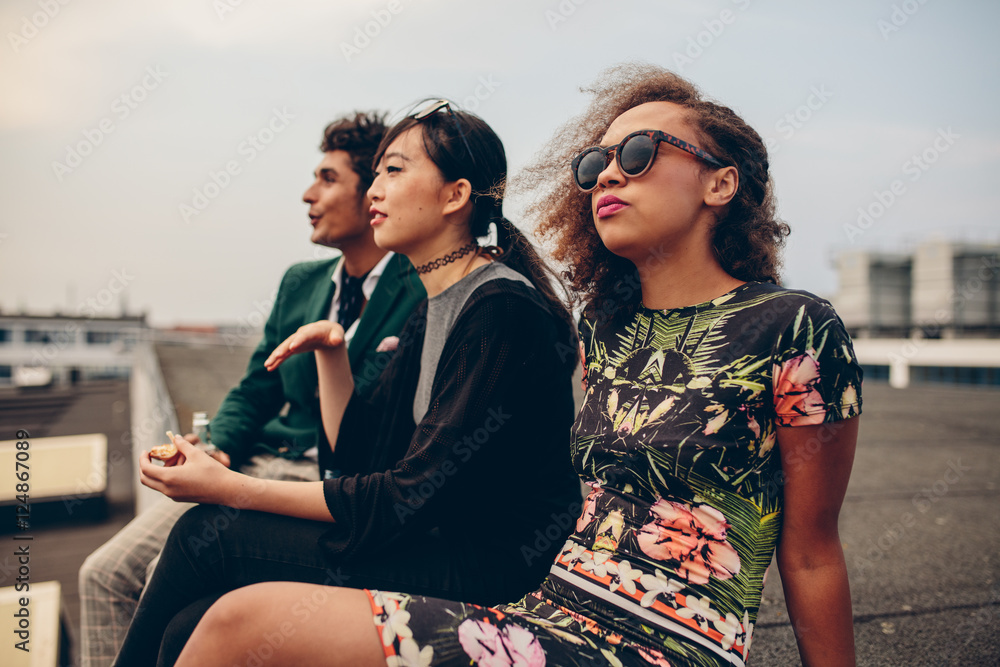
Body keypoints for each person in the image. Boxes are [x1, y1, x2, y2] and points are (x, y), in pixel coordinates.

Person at [170, 64, 864, 667]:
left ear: (721, 184)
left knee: (241, 622)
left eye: (641, 151)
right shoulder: (607, 328)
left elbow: (810, 552)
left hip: (664, 643)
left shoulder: (794, 327)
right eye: (595, 164)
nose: (610, 172)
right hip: (543, 612)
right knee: (223, 621)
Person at [111, 100, 583, 666]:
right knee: (185, 626)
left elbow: (409, 495)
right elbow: (360, 453)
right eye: (377, 171)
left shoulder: (499, 308)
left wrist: (231, 488)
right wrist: (332, 355)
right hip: (433, 541)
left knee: (206, 535)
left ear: (455, 196)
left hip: (485, 564)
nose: (374, 191)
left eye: (395, 170)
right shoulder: (434, 306)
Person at [78, 111, 425, 666]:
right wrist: (217, 448)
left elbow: (370, 421)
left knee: (160, 580)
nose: (309, 195)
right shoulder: (300, 283)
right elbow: (254, 389)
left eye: (328, 179)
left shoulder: (419, 290)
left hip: (320, 487)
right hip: (250, 465)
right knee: (104, 573)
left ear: (372, 194)